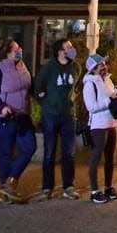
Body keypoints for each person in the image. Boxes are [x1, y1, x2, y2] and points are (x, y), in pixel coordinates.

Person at [0, 38, 36, 203]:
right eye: (16, 49)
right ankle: (6, 188)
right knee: (6, 153)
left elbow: (30, 86)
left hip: (22, 116)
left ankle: (11, 181)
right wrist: (2, 107)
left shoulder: (23, 66)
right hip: (3, 118)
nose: (20, 50)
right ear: (8, 52)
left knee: (29, 147)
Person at [33, 38, 81, 200]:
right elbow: (38, 87)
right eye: (68, 47)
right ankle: (47, 187)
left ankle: (68, 186)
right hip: (51, 114)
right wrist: (46, 102)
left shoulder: (75, 67)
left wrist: (72, 101)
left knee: (69, 152)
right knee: (49, 152)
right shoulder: (49, 68)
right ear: (60, 51)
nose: (72, 49)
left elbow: (77, 86)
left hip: (68, 114)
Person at [82, 53, 117, 204]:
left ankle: (108, 187)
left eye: (104, 64)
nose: (104, 67)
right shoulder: (90, 84)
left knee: (110, 158)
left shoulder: (107, 80)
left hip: (111, 123)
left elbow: (111, 97)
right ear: (93, 69)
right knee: (96, 156)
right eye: (100, 65)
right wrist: (109, 99)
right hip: (98, 126)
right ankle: (94, 191)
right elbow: (92, 107)